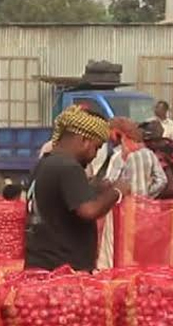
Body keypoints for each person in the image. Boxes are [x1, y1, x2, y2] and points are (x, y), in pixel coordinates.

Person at [25, 105, 123, 272]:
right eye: (96, 148)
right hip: (64, 272)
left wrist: (95, 188)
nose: (94, 156)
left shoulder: (45, 163)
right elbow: (89, 210)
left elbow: (62, 199)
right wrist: (117, 192)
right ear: (83, 140)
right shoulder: (69, 168)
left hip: (39, 265)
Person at [98, 117, 167, 269]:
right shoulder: (148, 154)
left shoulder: (119, 157)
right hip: (145, 211)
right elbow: (162, 180)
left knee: (116, 254)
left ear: (119, 135)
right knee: (141, 252)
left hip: (121, 213)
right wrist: (146, 196)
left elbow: (112, 182)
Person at [141, 121, 173, 199]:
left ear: (151, 142)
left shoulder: (160, 156)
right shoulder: (171, 146)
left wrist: (148, 196)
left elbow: (172, 188)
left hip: (172, 203)